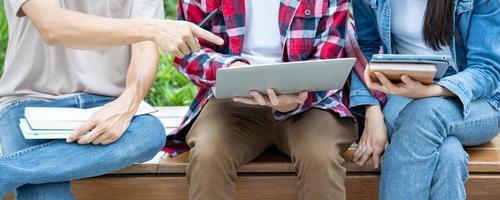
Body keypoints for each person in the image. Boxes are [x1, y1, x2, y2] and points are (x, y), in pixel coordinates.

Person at [0, 0, 223, 199]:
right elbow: (53, 27)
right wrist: (153, 28)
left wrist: (128, 103)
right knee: (45, 193)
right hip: (29, 101)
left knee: (149, 133)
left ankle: (5, 171)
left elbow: (144, 51)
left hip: (106, 104)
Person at [166, 0, 360, 199]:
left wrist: (295, 98)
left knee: (320, 158)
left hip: (310, 102)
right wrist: (230, 68)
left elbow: (329, 53)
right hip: (233, 100)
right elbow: (187, 51)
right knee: (208, 155)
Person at [350, 0, 500, 199]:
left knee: (424, 116)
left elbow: (487, 70)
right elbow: (366, 49)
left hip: (477, 101)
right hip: (404, 94)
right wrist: (372, 108)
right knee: (448, 154)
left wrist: (433, 91)